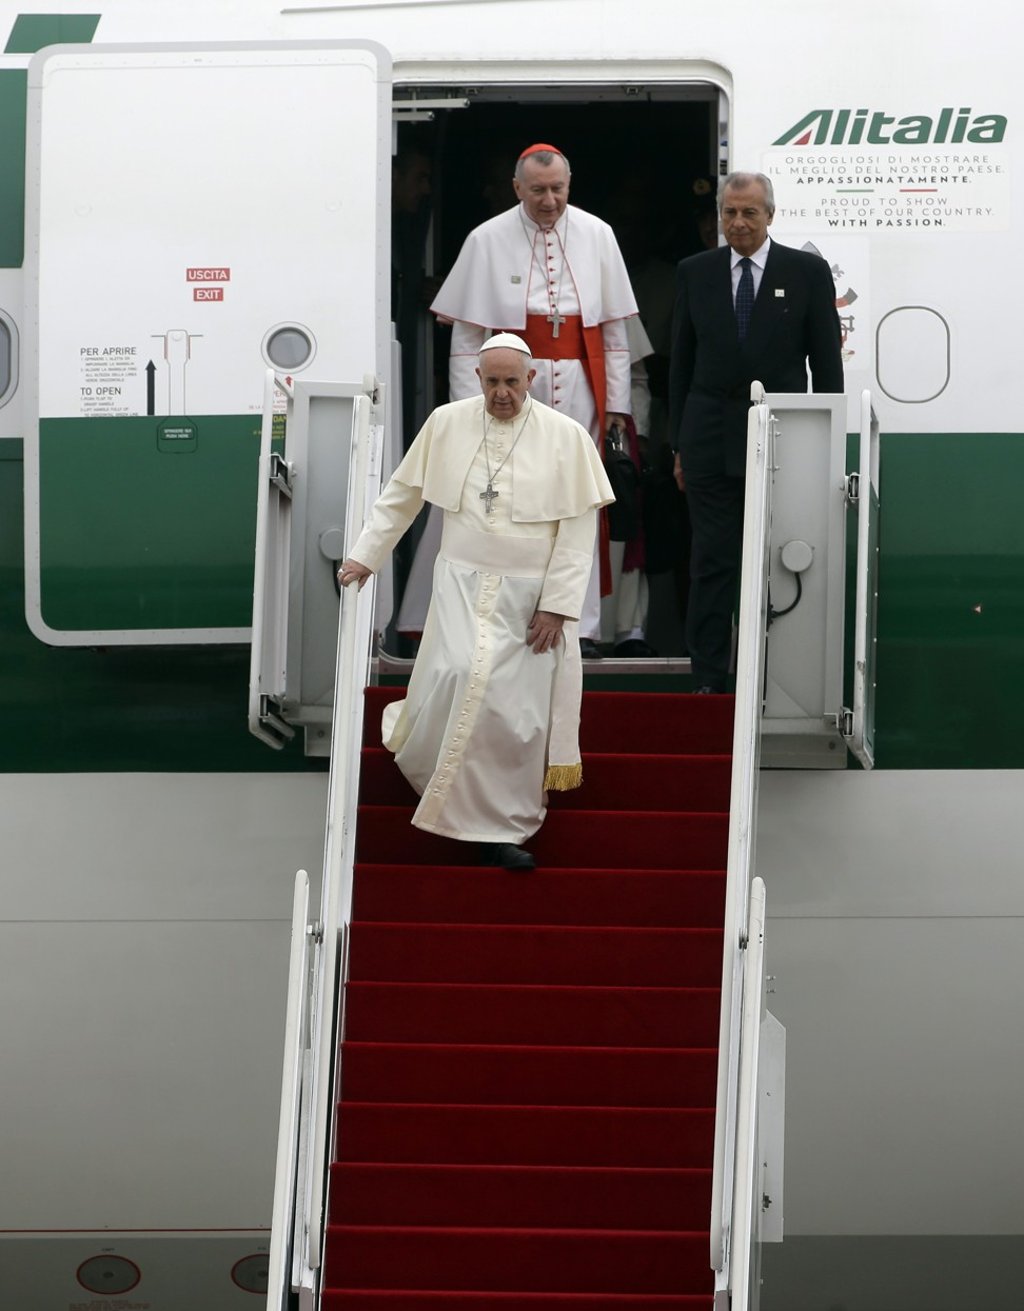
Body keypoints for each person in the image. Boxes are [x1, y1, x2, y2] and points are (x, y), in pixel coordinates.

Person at [337, 334, 614, 871]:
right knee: (457, 674)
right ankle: (439, 780)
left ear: (531, 380)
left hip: (530, 597)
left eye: (512, 382)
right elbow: (402, 495)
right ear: (478, 380)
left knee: (514, 713)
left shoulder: (567, 436)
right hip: (461, 583)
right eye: (492, 382)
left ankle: (500, 829)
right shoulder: (447, 422)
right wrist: (366, 555)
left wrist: (558, 604)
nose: (502, 393)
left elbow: (579, 532)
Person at [421, 143, 640, 659]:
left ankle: (580, 627)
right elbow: (467, 339)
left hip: (580, 386)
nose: (549, 201)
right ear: (517, 188)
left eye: (558, 189)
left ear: (570, 184)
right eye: (538, 190)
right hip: (509, 389)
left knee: (577, 501)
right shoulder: (486, 239)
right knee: (508, 499)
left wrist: (618, 408)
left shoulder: (597, 234)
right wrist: (467, 408)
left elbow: (614, 334)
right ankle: (500, 621)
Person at [668, 171, 844, 693]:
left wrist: (827, 443)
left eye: (749, 212)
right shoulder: (694, 272)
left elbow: (826, 364)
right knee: (711, 557)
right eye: (729, 213)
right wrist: (678, 442)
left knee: (775, 555)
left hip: (781, 437)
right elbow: (681, 363)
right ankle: (707, 676)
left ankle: (769, 673)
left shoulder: (806, 271)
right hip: (707, 436)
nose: (738, 223)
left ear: (771, 214)